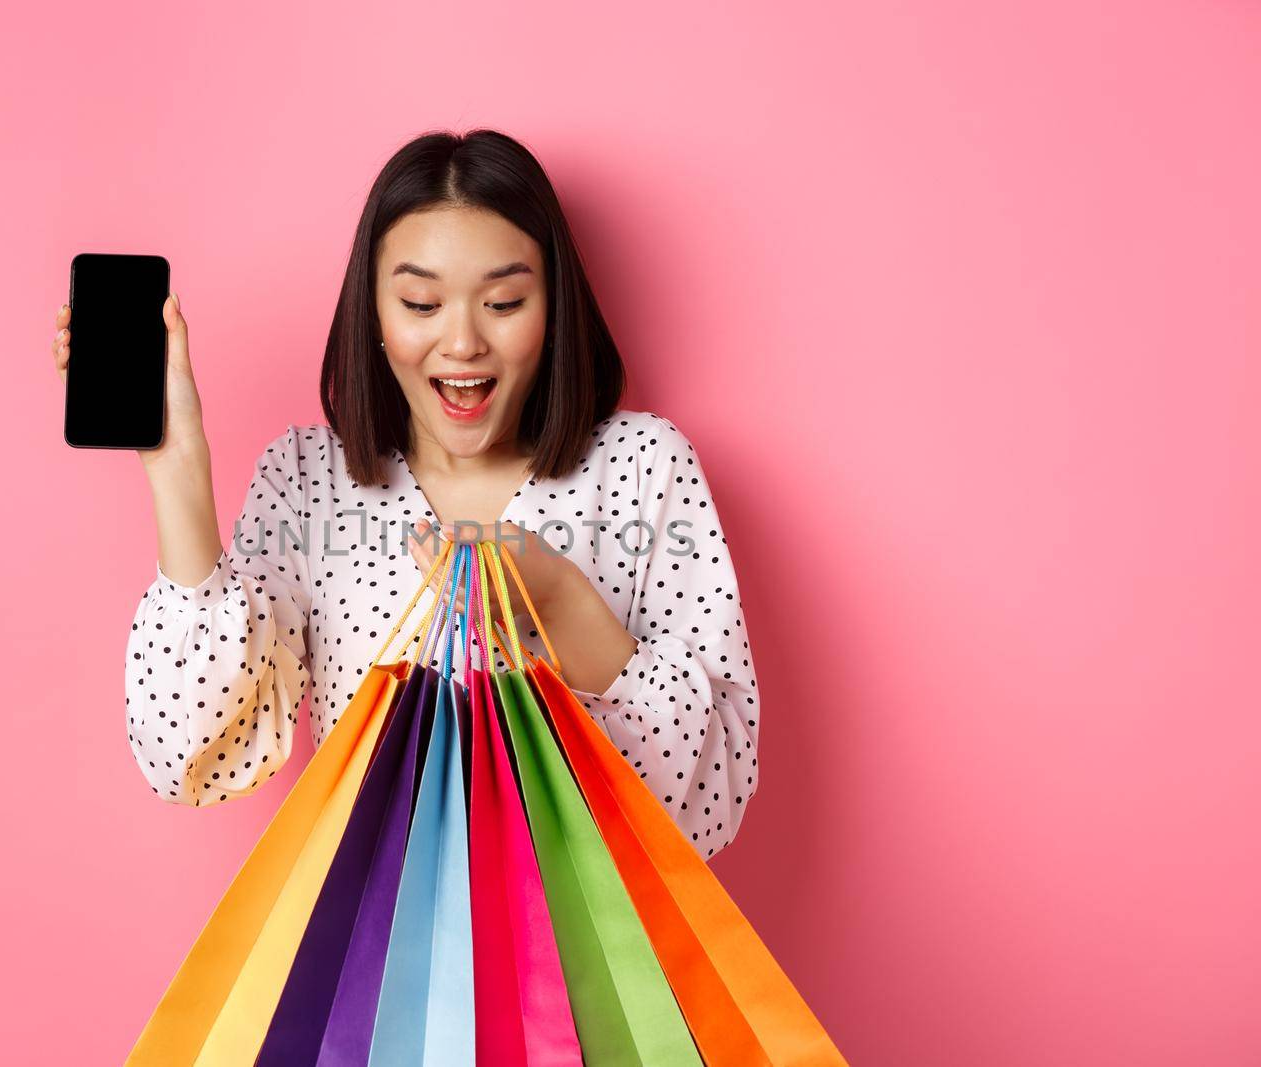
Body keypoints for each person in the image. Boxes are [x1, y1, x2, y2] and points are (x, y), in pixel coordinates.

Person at [50, 129, 761, 859]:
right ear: (376, 318)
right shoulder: (307, 482)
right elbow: (189, 757)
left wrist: (567, 613)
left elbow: (714, 801)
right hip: (374, 969)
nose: (462, 342)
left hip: (591, 972)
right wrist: (177, 468)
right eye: (421, 303)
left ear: (553, 312)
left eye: (504, 301)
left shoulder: (643, 467)